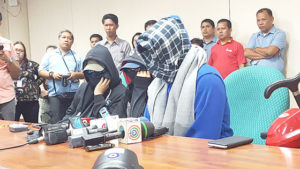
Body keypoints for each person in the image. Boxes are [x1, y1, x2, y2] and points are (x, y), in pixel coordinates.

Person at [136, 16, 233, 139]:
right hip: (167, 152)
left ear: (171, 49)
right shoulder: (159, 83)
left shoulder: (207, 80)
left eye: (158, 53)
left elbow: (204, 138)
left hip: (210, 154)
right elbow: (149, 126)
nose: (153, 61)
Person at [62, 44, 127, 120]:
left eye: (97, 72)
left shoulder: (120, 92)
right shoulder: (84, 87)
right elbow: (70, 113)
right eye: (89, 72)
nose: (92, 75)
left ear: (108, 70)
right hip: (77, 128)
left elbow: (112, 123)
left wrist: (98, 96)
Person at [39, 30, 84, 124]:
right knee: (57, 122)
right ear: (59, 40)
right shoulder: (50, 55)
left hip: (73, 94)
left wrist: (76, 75)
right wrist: (52, 75)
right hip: (55, 95)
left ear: (72, 41)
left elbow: (85, 73)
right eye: (63, 37)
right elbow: (40, 71)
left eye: (69, 38)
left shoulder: (77, 56)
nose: (66, 40)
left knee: (72, 121)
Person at [244, 8, 286, 72]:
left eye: (263, 19)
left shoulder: (279, 34)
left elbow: (269, 51)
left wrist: (256, 49)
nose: (260, 23)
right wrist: (269, 55)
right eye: (258, 20)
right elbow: (246, 53)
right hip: (255, 73)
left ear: (272, 19)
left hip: (272, 74)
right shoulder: (254, 36)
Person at [14, 41, 42, 123]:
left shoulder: (32, 64)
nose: (18, 52)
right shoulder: (7, 65)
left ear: (24, 53)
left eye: (21, 50)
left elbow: (43, 74)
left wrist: (35, 84)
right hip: (12, 101)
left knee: (32, 126)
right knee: (10, 125)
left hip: (30, 100)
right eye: (16, 50)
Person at [0, 11, 20, 120]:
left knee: (9, 131)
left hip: (7, 96)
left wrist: (8, 60)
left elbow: (17, 73)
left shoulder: (7, 44)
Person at [120, 51, 152, 117]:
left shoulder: (157, 89)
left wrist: (140, 88)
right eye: (128, 70)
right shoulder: (129, 89)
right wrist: (139, 88)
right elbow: (133, 120)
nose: (131, 73)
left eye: (135, 70)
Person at [39, 45, 57, 123]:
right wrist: (42, 89)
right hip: (44, 97)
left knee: (56, 119)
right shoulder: (42, 66)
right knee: (45, 120)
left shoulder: (59, 66)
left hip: (57, 97)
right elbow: (38, 81)